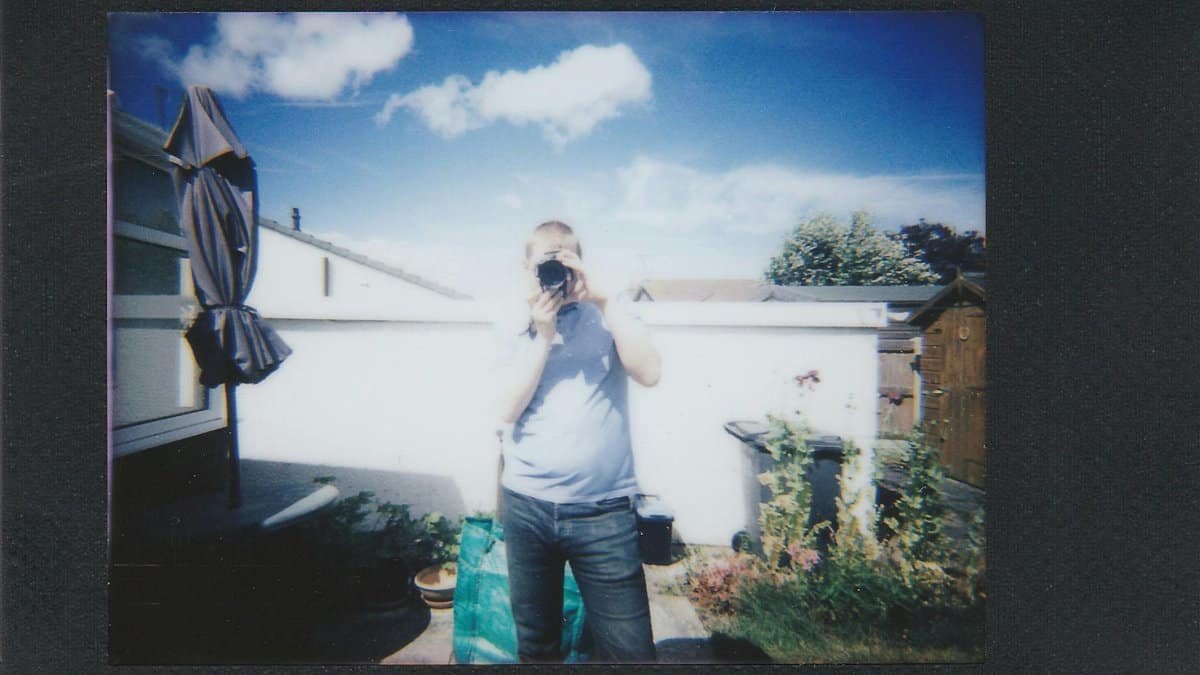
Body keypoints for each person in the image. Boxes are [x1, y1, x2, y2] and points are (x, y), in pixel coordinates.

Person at [493, 220, 661, 663]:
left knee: (632, 653)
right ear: (526, 267)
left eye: (562, 263)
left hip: (603, 511)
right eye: (542, 265)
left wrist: (607, 300)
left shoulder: (609, 313)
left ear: (578, 264)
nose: (553, 277)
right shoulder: (512, 320)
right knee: (537, 645)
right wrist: (542, 335)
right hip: (527, 507)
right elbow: (507, 408)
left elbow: (650, 373)